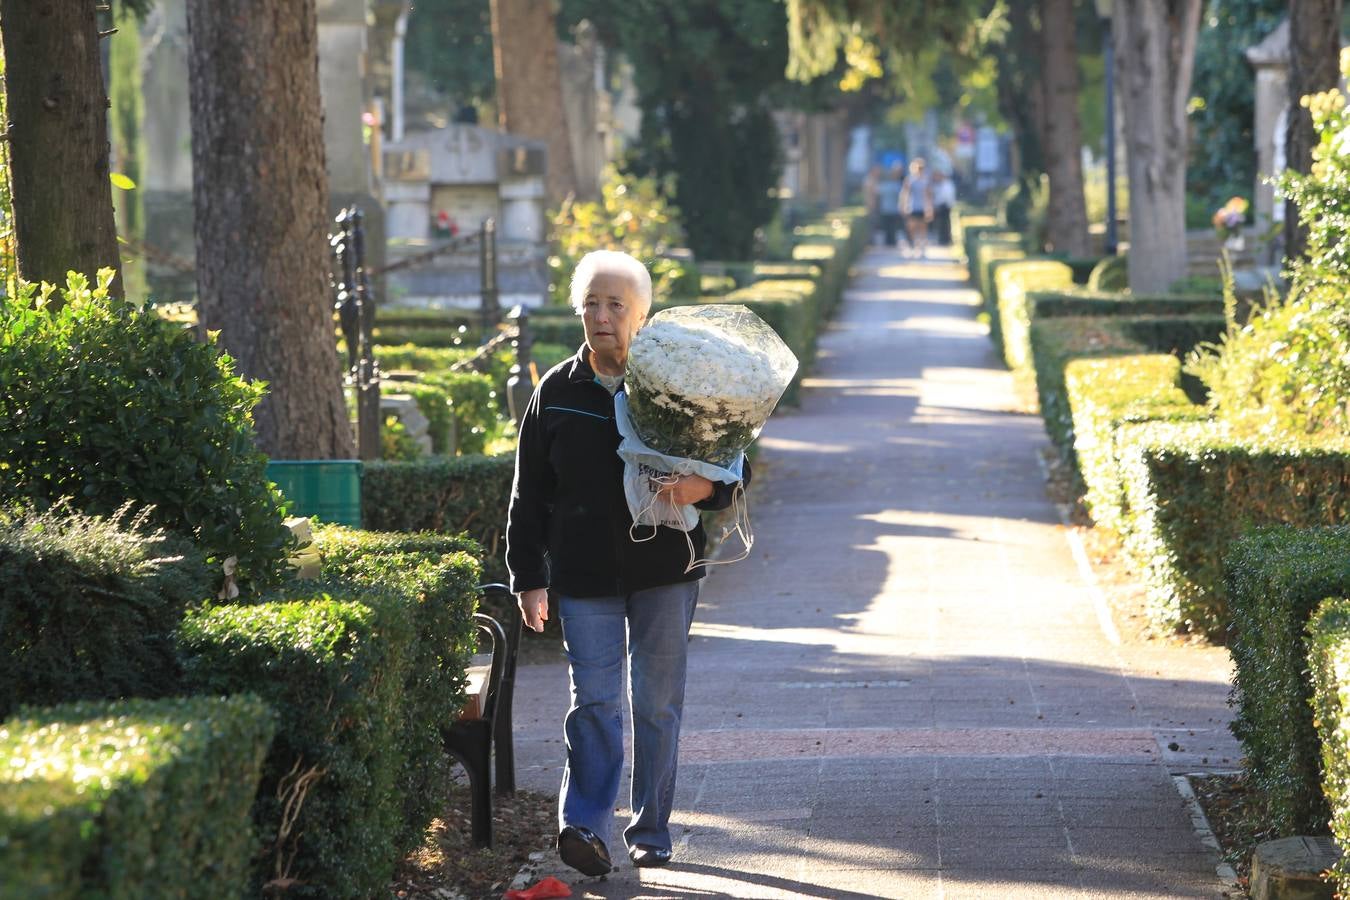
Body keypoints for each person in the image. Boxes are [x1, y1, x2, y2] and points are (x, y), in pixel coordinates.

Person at [506, 249, 750, 877]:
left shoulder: (672, 385)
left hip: (666, 571)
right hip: (583, 576)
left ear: (643, 316)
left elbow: (733, 463)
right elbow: (528, 492)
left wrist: (705, 490)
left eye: (616, 304)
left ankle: (650, 828)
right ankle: (585, 825)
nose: (602, 315)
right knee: (593, 702)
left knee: (656, 703)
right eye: (591, 302)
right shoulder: (555, 393)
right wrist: (528, 577)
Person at [900, 158, 934, 257]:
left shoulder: (926, 180)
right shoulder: (909, 180)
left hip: (922, 207)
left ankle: (922, 248)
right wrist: (903, 205)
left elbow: (929, 195)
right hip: (912, 207)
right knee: (911, 228)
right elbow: (905, 194)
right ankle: (913, 246)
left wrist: (930, 209)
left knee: (923, 228)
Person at [876, 163, 904, 248]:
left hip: (894, 210)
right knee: (887, 228)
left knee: (893, 228)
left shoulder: (899, 184)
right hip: (886, 209)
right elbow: (878, 193)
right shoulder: (886, 184)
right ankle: (888, 243)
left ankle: (892, 243)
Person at [931, 169, 956, 247]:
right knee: (940, 224)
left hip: (945, 206)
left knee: (945, 224)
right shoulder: (937, 184)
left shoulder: (947, 184)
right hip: (940, 206)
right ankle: (941, 239)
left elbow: (948, 197)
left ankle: (946, 239)